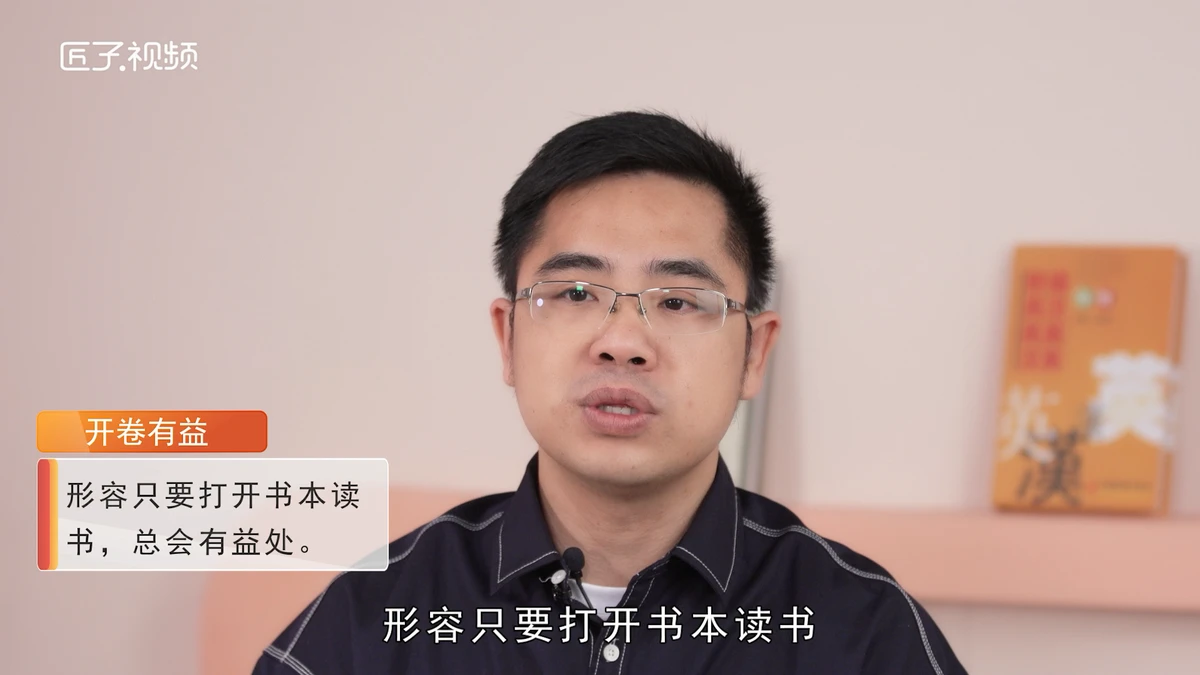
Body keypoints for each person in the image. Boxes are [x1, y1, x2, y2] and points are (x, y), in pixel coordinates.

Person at [253, 110, 967, 674]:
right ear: (507, 336)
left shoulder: (865, 632)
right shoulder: (370, 619)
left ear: (755, 353)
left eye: (679, 300)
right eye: (575, 292)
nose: (622, 341)